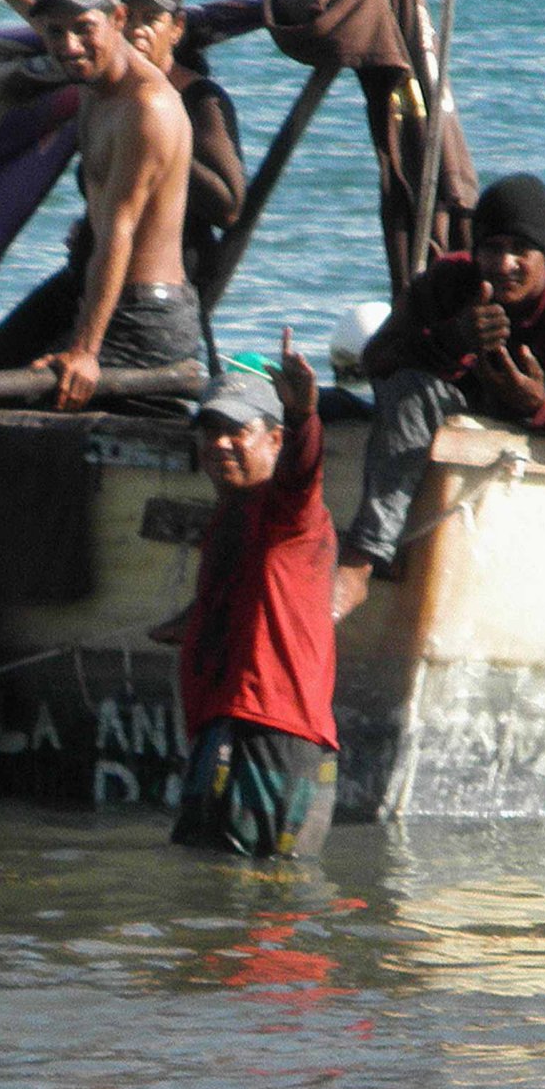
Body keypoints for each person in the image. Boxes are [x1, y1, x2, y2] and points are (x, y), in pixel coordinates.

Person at [0, 0, 245, 366]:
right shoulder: (89, 69)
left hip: (142, 312)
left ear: (115, 22)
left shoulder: (151, 106)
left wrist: (85, 352)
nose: (68, 45)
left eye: (84, 30)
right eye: (56, 32)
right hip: (92, 284)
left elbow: (119, 229)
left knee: (16, 407)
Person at [333, 174, 545, 619]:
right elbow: (376, 361)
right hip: (445, 416)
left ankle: (361, 559)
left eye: (520, 250)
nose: (504, 263)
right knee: (327, 408)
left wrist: (537, 405)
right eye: (491, 248)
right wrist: (451, 339)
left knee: (414, 393)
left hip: (529, 444)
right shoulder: (450, 281)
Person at [152, 334, 341, 860]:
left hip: (265, 731)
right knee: (236, 897)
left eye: (237, 431)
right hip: (246, 728)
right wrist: (191, 622)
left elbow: (305, 472)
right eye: (209, 431)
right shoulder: (232, 517)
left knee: (231, 891)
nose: (218, 444)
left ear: (275, 440)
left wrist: (305, 414)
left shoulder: (285, 511)